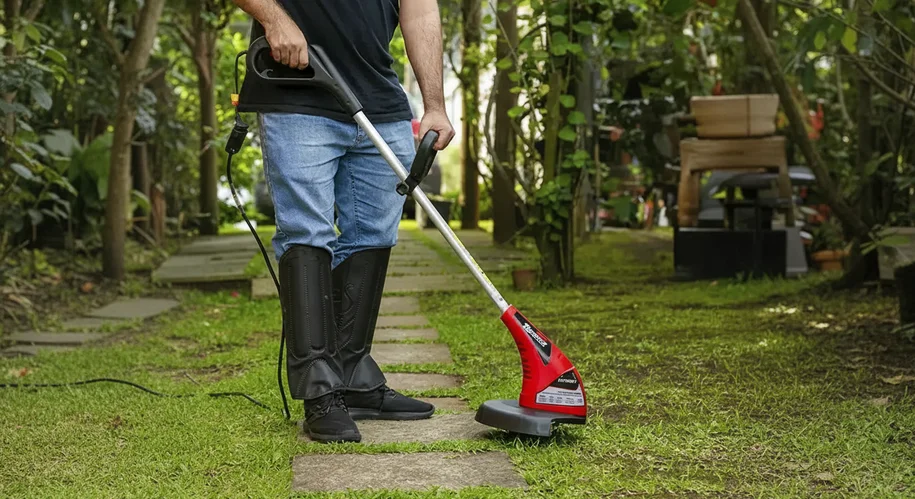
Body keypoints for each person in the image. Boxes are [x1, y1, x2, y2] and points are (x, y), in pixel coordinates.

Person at [232, 0, 456, 443]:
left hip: (380, 103)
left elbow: (420, 13)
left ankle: (353, 375)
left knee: (374, 236)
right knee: (307, 233)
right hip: (296, 94)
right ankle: (319, 389)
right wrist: (274, 19)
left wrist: (434, 104)